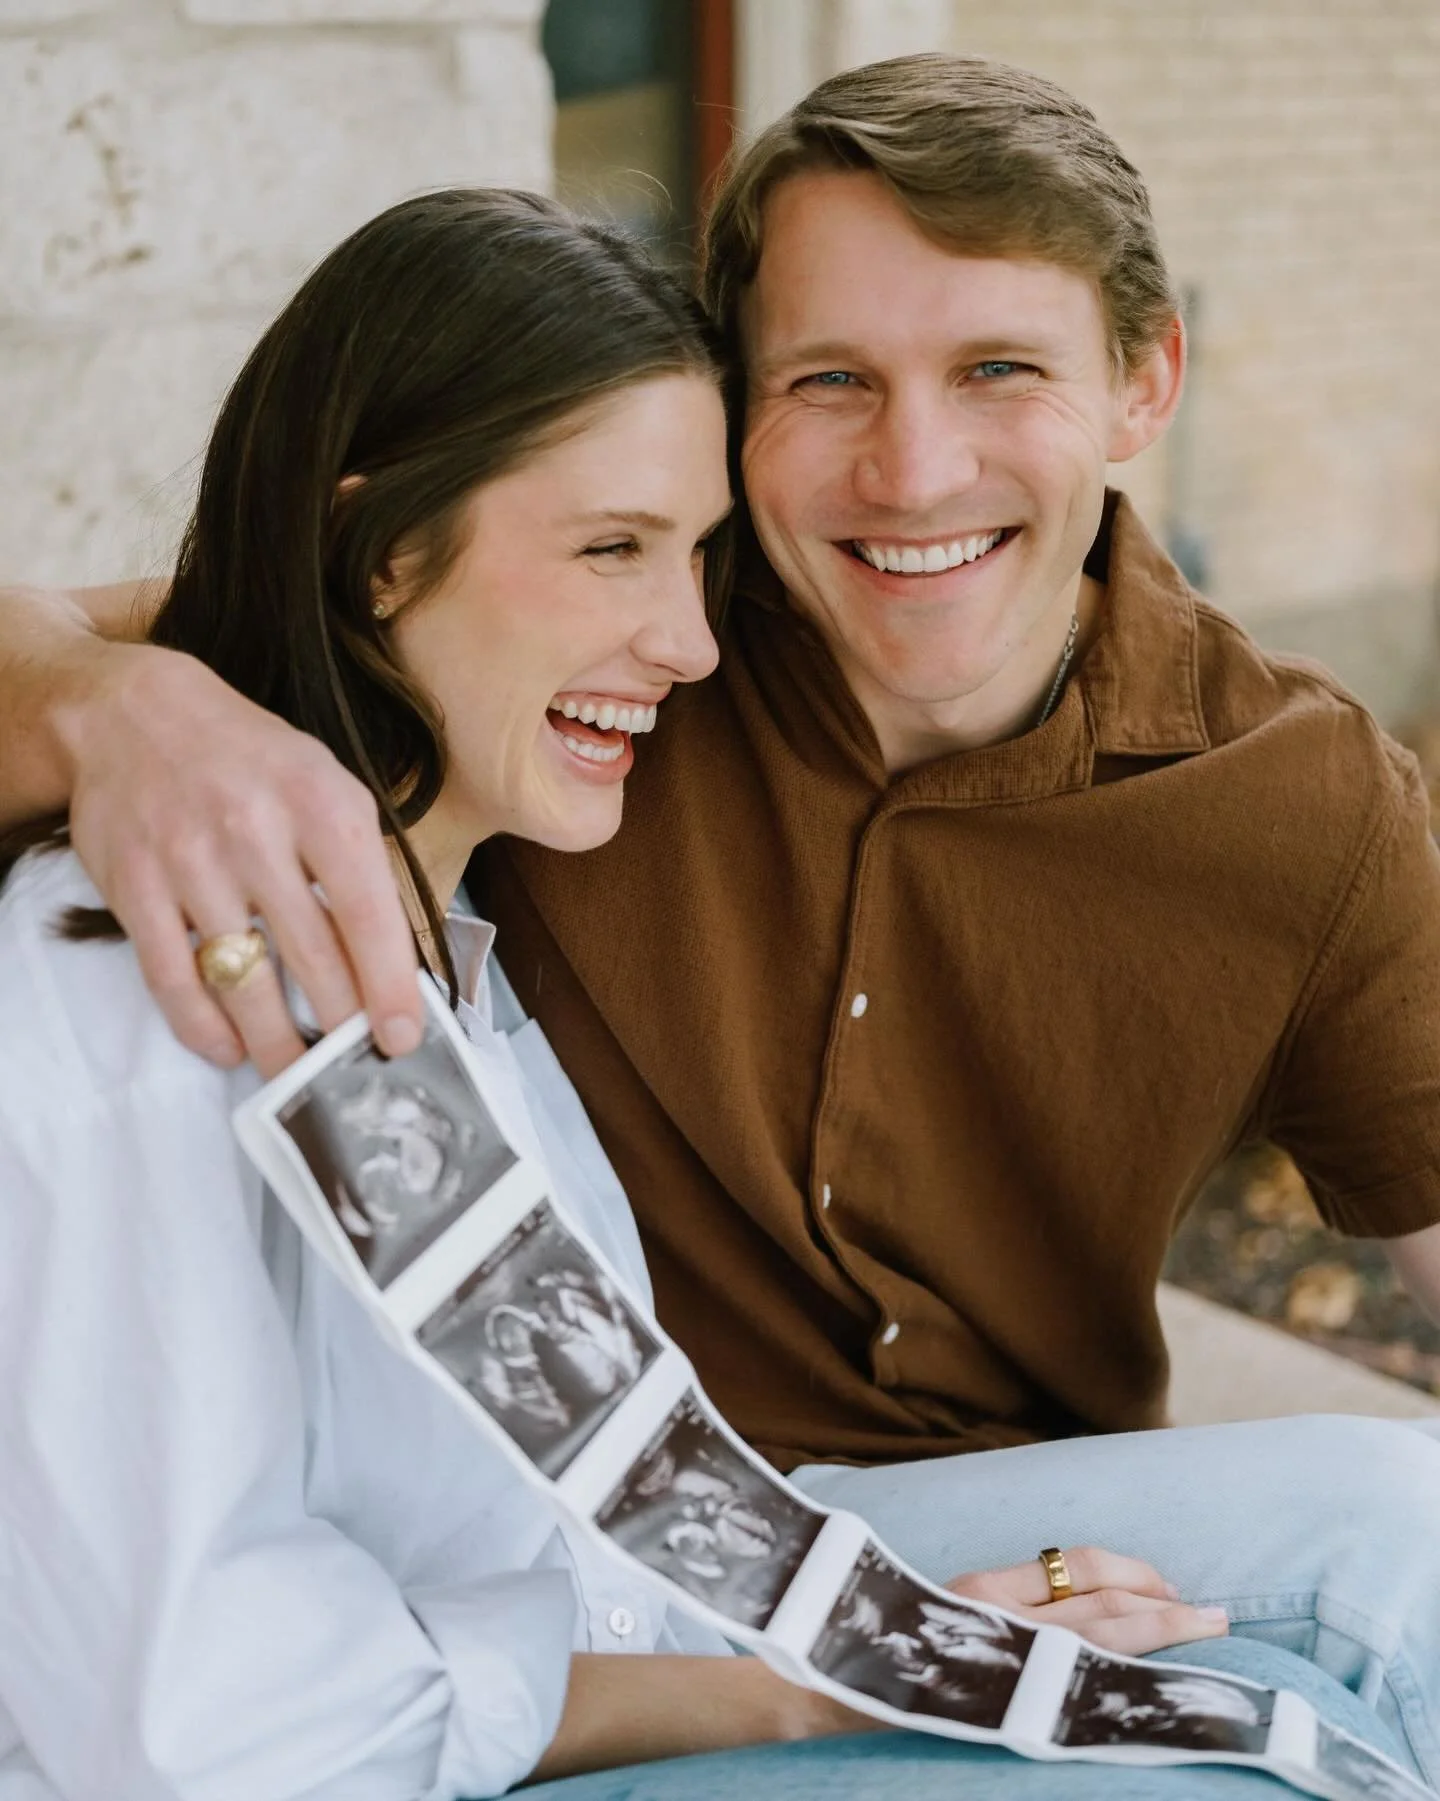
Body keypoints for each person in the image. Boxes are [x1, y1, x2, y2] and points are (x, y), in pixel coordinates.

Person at [3, 63, 1440, 1792]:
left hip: (730, 1549)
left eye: (999, 367)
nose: (912, 470)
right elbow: (217, 1721)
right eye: (829, 380)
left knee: (1392, 1581)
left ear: (1146, 382)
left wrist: (876, 1651)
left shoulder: (1289, 791)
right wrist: (112, 704)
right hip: (620, 1592)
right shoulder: (351, 821)